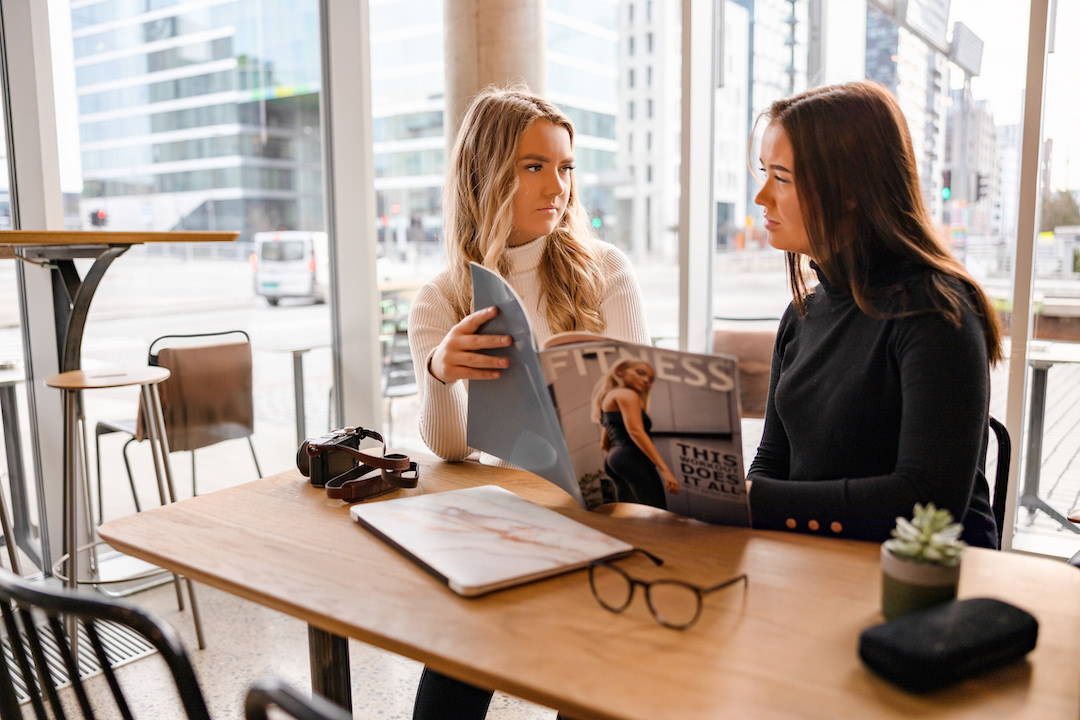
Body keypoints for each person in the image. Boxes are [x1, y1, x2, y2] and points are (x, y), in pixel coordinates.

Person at [407, 85, 649, 719]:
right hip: (503, 519)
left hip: (598, 510)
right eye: (534, 166)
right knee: (454, 668)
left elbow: (641, 417)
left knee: (591, 679)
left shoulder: (606, 271)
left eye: (566, 167)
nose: (558, 187)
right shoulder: (442, 299)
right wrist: (439, 375)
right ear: (487, 176)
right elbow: (452, 449)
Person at [747, 80, 1002, 549]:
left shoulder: (936, 313)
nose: (761, 196)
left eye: (781, 178)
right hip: (816, 558)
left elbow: (927, 502)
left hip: (921, 583)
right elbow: (770, 463)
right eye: (763, 173)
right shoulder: (803, 311)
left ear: (849, 191)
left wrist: (750, 501)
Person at [590, 359, 679, 508]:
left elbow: (604, 443)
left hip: (613, 459)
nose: (646, 380)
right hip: (632, 456)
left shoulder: (608, 397)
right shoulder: (627, 394)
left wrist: (618, 457)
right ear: (620, 371)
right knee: (656, 511)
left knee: (628, 514)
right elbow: (635, 431)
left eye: (650, 379)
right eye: (641, 373)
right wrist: (665, 470)